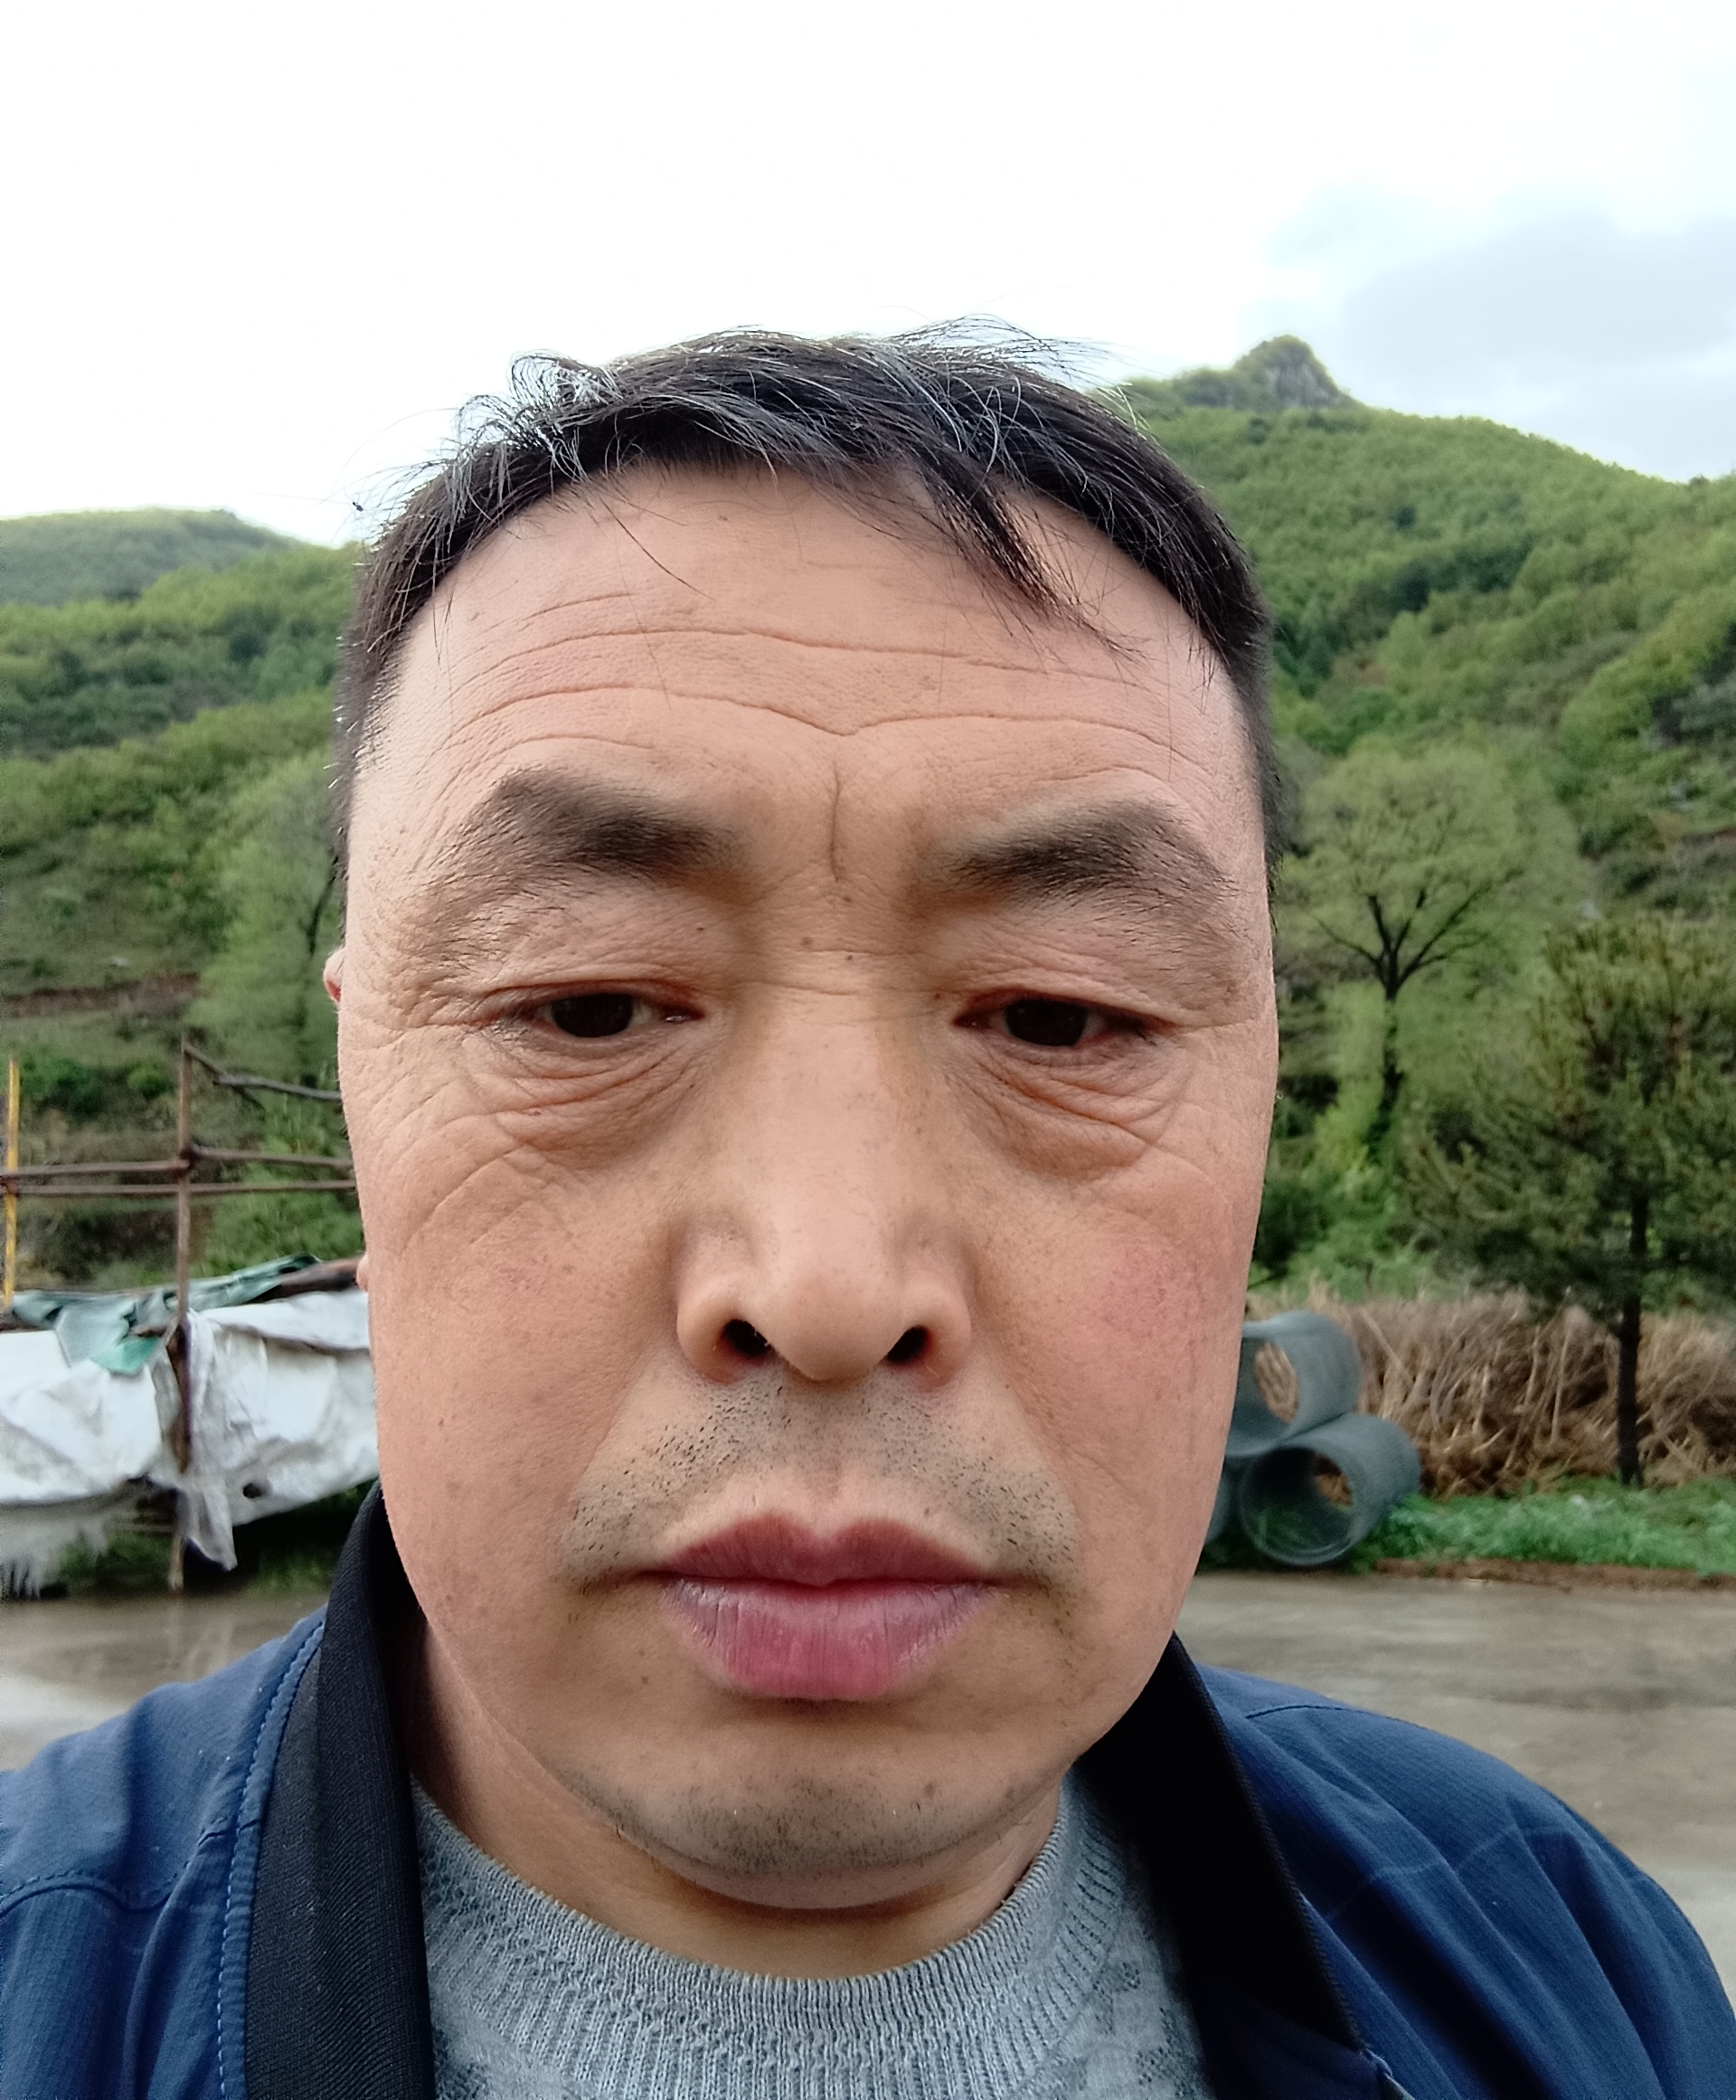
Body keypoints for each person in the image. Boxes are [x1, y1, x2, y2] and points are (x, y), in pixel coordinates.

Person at [1, 332, 1730, 2100]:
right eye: (586, 1007)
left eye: (1061, 1017)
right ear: (364, 1103)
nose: (826, 1290)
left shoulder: (1567, 1962)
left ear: (1258, 1110)